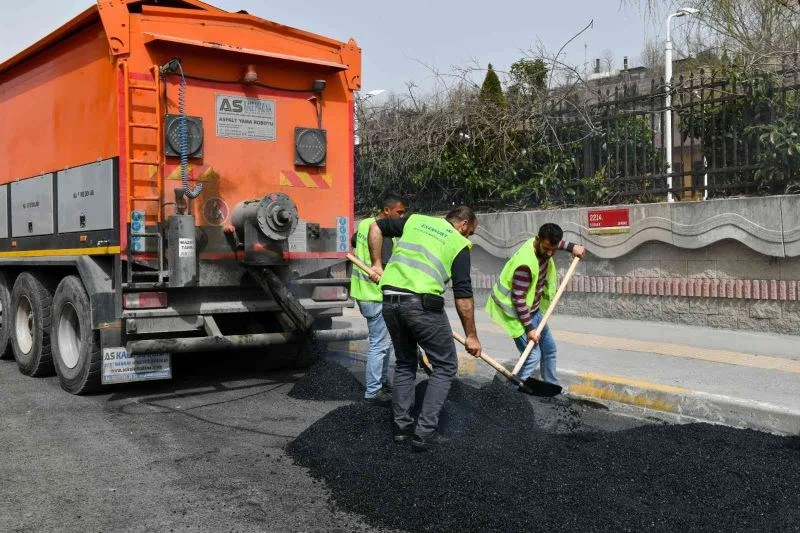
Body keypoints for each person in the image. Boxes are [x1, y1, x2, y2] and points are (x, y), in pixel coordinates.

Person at [367, 205, 482, 452]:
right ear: (463, 225)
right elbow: (463, 295)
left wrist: (377, 264)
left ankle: (401, 430)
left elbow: (375, 225)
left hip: (390, 301)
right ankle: (424, 433)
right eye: (469, 232)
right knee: (446, 365)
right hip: (422, 305)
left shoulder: (415, 220)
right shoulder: (458, 243)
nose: (468, 237)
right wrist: (471, 335)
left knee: (406, 363)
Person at [485, 223, 585, 386]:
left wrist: (573, 247)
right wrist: (530, 329)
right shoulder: (525, 264)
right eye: (546, 248)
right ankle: (511, 391)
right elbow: (518, 299)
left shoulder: (545, 243)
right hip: (517, 316)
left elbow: (556, 243)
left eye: (552, 249)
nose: (549, 253)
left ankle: (551, 387)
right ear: (537, 239)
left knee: (549, 350)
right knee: (532, 356)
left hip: (534, 311)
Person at [350, 193, 408, 403]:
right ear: (387, 211)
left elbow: (354, 241)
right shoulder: (383, 233)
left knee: (384, 343)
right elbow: (385, 265)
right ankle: (373, 391)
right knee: (380, 345)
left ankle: (382, 384)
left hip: (363, 294)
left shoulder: (365, 224)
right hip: (375, 295)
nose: (402, 216)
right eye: (399, 212)